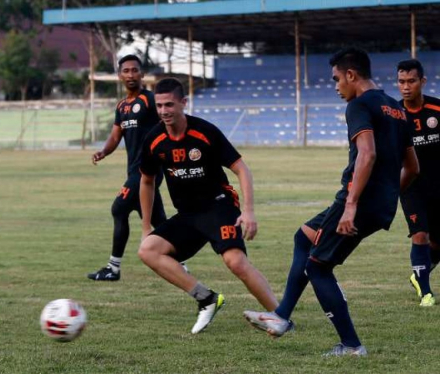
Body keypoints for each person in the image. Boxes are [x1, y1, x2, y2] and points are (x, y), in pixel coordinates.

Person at [244, 48, 419, 356]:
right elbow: (413, 167)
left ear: (351, 75)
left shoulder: (359, 105)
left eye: (337, 79)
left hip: (356, 201)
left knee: (318, 267)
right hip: (378, 204)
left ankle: (351, 345)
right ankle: (281, 316)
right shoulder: (397, 108)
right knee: (304, 237)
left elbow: (367, 153)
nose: (336, 86)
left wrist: (351, 205)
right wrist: (388, 194)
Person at [138, 77, 278, 334]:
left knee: (235, 262)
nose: (164, 111)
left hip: (219, 206)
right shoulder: (154, 139)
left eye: (169, 104)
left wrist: (248, 211)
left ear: (183, 102)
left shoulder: (205, 132)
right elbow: (147, 182)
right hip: (188, 215)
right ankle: (206, 298)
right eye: (159, 106)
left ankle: (282, 317)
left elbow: (241, 169)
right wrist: (146, 225)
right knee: (148, 249)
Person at [88, 55, 185, 281]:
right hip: (133, 171)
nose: (130, 75)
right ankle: (181, 263)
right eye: (126, 71)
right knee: (158, 220)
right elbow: (115, 135)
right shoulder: (122, 107)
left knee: (119, 209)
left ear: (142, 74)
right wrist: (103, 151)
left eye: (134, 70)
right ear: (120, 75)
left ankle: (113, 268)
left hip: (148, 171)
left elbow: (168, 124)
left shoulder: (151, 100)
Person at [396, 59, 440, 307]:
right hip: (411, 186)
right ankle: (426, 292)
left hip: (438, 185)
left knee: (436, 244)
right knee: (420, 235)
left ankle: (417, 275)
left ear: (422, 81)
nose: (405, 86)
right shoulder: (395, 114)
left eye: (411, 81)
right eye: (401, 81)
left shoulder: (437, 108)